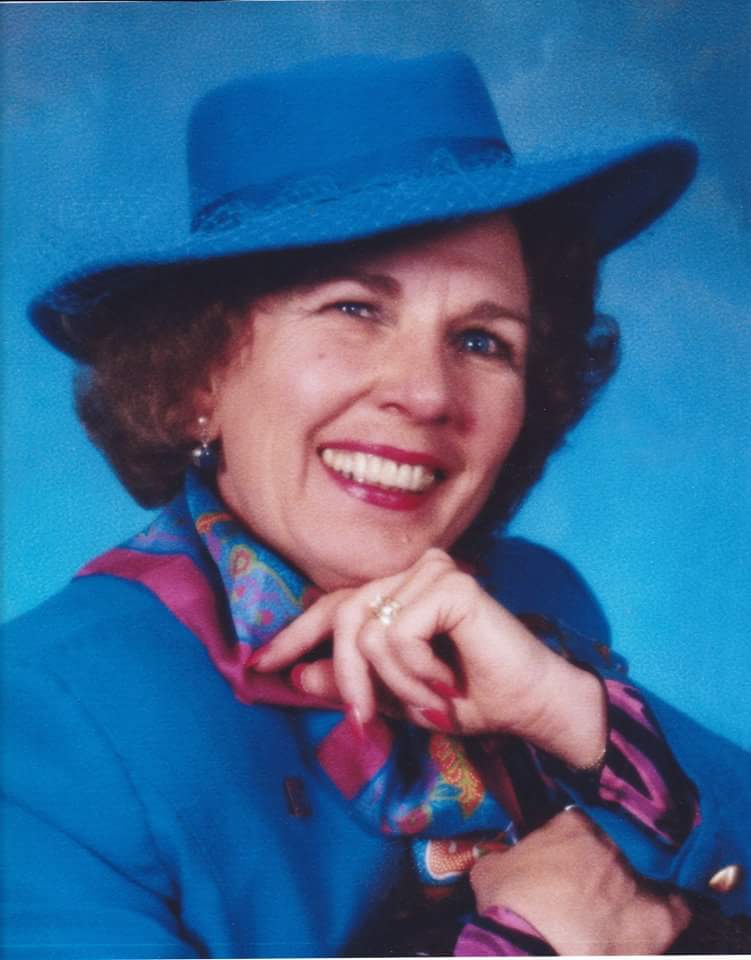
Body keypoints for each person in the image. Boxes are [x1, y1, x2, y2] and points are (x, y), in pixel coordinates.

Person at [4, 52, 750, 957]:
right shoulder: (43, 720)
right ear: (196, 377)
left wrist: (570, 713)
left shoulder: (535, 603)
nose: (427, 393)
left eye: (482, 340)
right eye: (353, 310)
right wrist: (540, 942)